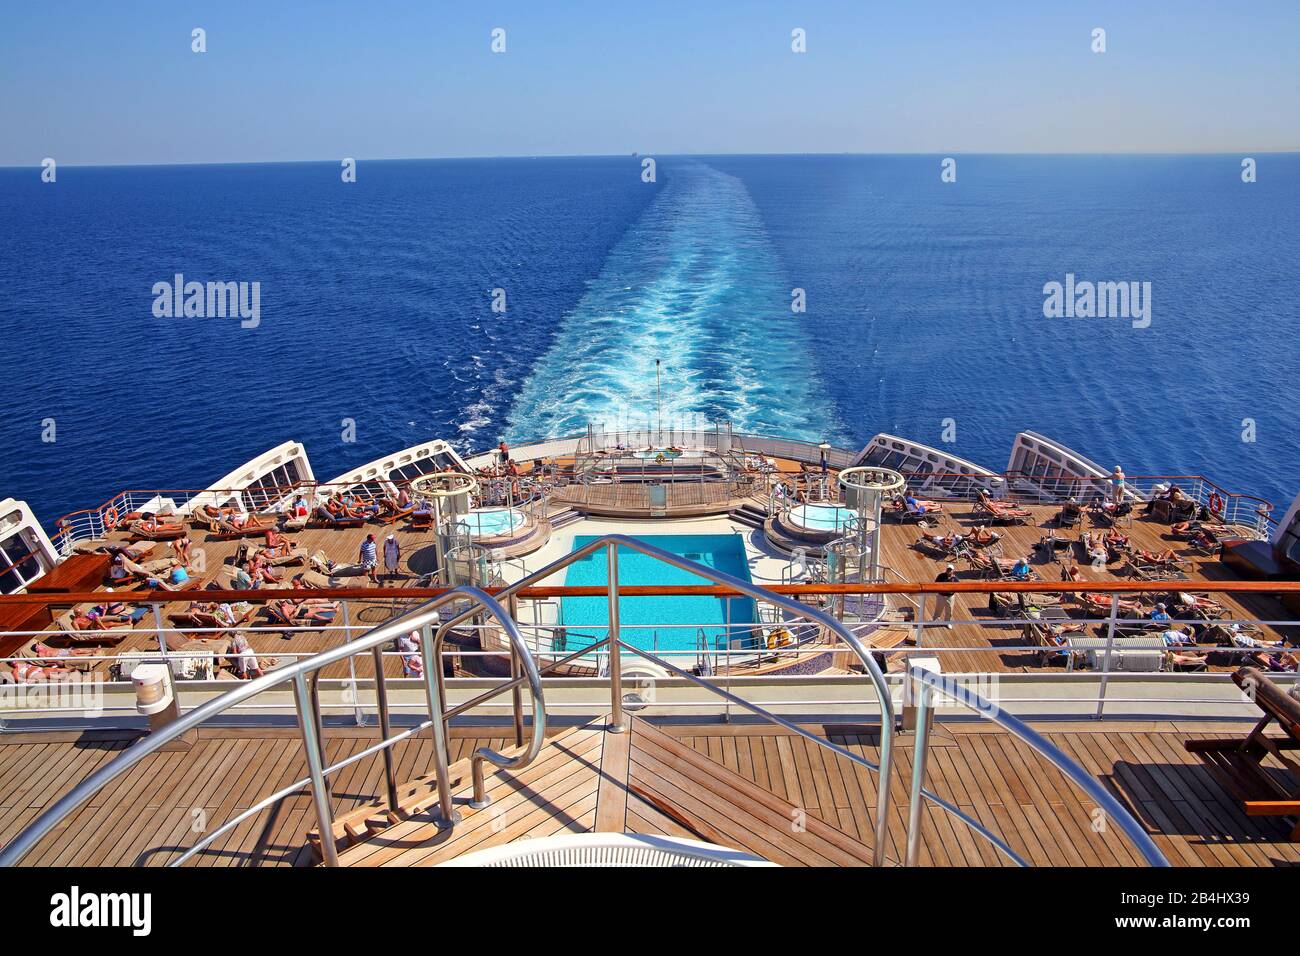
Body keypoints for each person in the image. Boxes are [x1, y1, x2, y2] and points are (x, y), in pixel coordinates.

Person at [931, 564, 958, 628]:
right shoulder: (941, 576)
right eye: (948, 569)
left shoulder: (955, 579)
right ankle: (935, 620)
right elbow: (935, 584)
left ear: (953, 571)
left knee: (949, 610)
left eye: (950, 570)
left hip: (950, 597)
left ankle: (947, 622)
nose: (949, 571)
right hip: (941, 595)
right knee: (938, 609)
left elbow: (958, 587)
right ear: (946, 570)